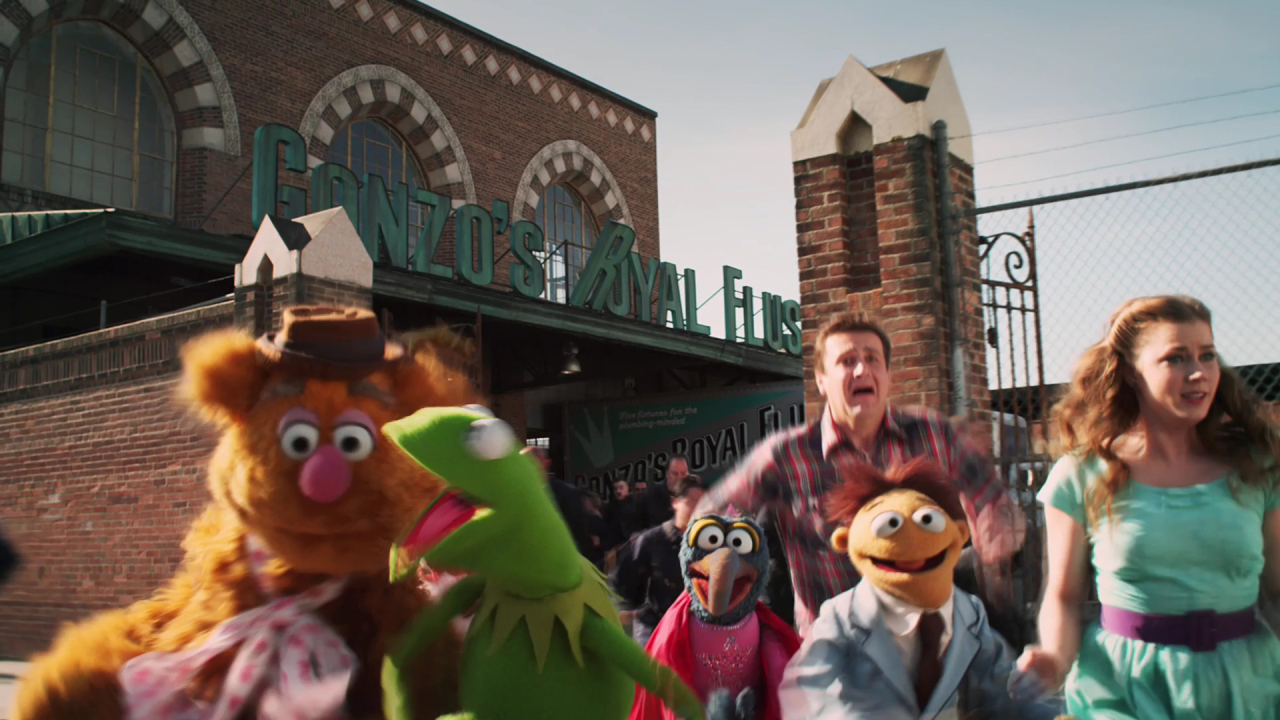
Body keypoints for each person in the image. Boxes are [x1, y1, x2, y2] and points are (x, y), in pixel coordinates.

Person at [1019, 295, 1280, 719]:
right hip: (1123, 689)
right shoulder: (1081, 474)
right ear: (1131, 372)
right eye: (1175, 358)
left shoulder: (1257, 466)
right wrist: (1054, 658)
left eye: (1207, 355)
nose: (1198, 372)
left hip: (1247, 686)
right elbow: (1064, 595)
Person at [696, 311, 1025, 637]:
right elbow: (707, 520)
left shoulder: (933, 435)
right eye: (847, 361)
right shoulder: (786, 456)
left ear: (888, 374)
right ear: (821, 380)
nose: (862, 369)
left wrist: (1003, 527)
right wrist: (731, 568)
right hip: (836, 650)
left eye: (872, 359)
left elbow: (998, 503)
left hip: (929, 646)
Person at [613, 475, 706, 646]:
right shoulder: (652, 541)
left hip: (697, 631)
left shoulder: (709, 543)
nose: (698, 509)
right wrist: (633, 612)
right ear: (675, 502)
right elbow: (625, 584)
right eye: (692, 501)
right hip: (658, 630)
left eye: (702, 503)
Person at [643, 454, 691, 528]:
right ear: (667, 474)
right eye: (675, 474)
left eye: (683, 474)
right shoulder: (651, 497)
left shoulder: (694, 495)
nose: (679, 478)